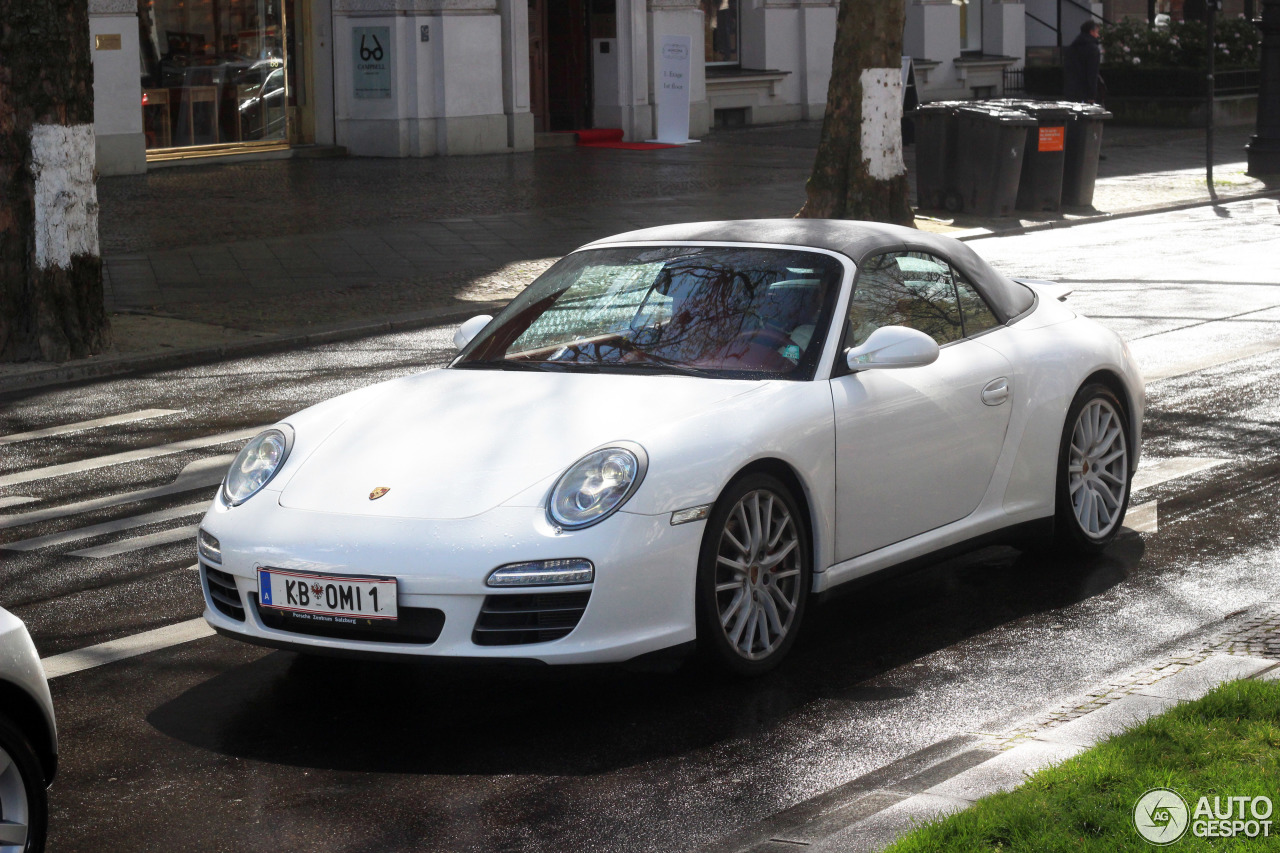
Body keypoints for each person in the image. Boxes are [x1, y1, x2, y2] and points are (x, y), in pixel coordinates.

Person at [1063, 20, 1103, 103]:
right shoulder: (1093, 49)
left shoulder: (1072, 47)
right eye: (1097, 32)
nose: (1098, 35)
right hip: (1085, 92)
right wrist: (1092, 94)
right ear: (1091, 32)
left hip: (1071, 90)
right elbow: (1092, 72)